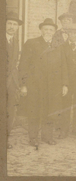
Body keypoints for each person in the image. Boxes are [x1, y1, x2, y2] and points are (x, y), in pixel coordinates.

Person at [18, 18, 68, 148]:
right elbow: (23, 65)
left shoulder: (58, 46)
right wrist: (23, 84)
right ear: (41, 30)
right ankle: (33, 138)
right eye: (45, 29)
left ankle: (47, 137)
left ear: (54, 32)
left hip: (53, 86)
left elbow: (64, 66)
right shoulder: (31, 43)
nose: (48, 31)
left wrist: (64, 84)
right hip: (35, 85)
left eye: (51, 29)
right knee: (34, 111)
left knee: (50, 111)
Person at [59, 23, 76, 139]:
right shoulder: (62, 47)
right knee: (65, 105)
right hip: (67, 82)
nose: (73, 35)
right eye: (70, 32)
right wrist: (64, 84)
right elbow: (61, 66)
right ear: (67, 34)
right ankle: (64, 130)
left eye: (75, 33)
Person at [6, 11, 23, 149]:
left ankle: (5, 138)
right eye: (9, 23)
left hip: (11, 82)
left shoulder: (16, 41)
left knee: (10, 109)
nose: (12, 26)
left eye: (14, 24)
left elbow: (14, 64)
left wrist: (18, 83)